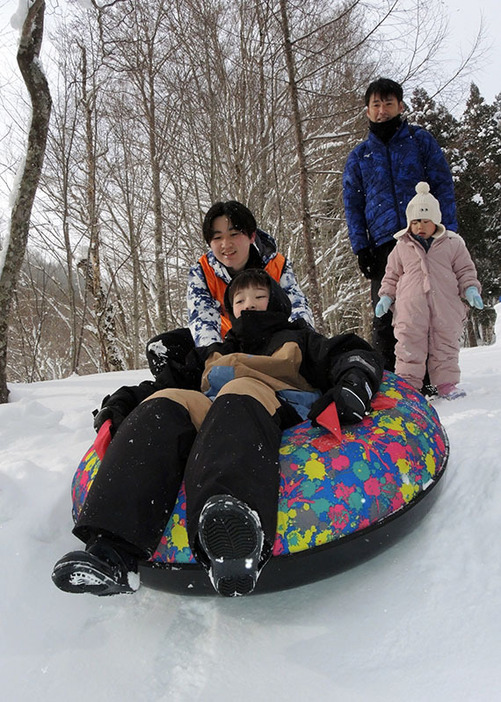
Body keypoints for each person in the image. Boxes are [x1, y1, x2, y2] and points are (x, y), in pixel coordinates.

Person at [52, 269, 383, 598]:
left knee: (238, 391)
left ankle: (233, 535)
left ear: (278, 302)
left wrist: (354, 383)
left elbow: (349, 354)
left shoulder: (298, 338)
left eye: (259, 296)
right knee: (167, 402)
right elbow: (163, 383)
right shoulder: (213, 352)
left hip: (273, 406)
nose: (248, 305)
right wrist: (121, 404)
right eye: (239, 300)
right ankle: (111, 551)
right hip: (212, 412)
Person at [342, 77, 458, 373]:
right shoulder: (359, 157)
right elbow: (353, 205)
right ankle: (388, 380)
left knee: (429, 308)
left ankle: (432, 375)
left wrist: (450, 233)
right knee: (385, 313)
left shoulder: (420, 142)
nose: (382, 110)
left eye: (388, 103)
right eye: (376, 104)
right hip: (382, 245)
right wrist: (361, 247)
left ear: (400, 106)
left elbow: (443, 185)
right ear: (367, 110)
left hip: (425, 237)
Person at [146, 200, 313, 376]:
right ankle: (194, 391)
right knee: (161, 346)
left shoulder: (276, 264)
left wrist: (298, 345)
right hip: (227, 342)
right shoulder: (203, 271)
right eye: (218, 238)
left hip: (271, 340)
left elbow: (298, 308)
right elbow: (202, 320)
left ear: (251, 236)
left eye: (234, 234)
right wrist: (216, 360)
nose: (226, 244)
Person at [375, 182, 483, 400]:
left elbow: (465, 270)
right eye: (415, 222)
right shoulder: (402, 246)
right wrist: (386, 297)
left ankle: (445, 384)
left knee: (444, 346)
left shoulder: (453, 244)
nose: (420, 226)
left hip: (445, 306)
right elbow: (391, 274)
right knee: (408, 346)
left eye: (425, 221)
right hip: (410, 308)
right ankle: (408, 388)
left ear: (435, 221)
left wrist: (471, 289)